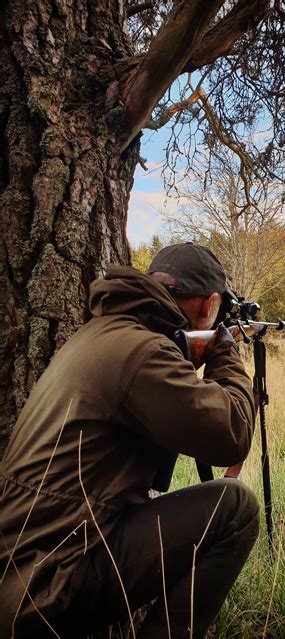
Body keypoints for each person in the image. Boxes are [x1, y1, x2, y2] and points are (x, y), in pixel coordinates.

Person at [0, 242, 259, 638]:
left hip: (18, 574)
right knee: (236, 509)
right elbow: (233, 434)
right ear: (209, 305)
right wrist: (225, 352)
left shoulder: (99, 334)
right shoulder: (144, 353)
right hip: (48, 586)